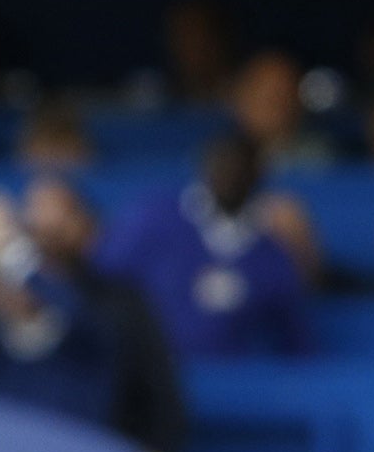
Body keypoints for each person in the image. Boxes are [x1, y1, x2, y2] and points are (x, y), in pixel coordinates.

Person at [96, 134, 313, 358]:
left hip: (232, 378)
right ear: (205, 165)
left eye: (241, 167)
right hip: (147, 366)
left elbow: (294, 337)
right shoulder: (152, 219)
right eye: (222, 163)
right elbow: (100, 282)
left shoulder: (272, 254)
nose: (231, 174)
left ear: (259, 173)